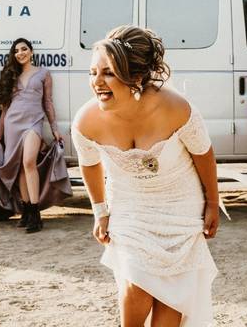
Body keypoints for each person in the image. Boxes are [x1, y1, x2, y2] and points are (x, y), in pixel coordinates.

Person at [72, 25, 220, 327]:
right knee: (136, 285)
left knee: (171, 297)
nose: (96, 82)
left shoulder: (177, 108)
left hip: (179, 205)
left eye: (108, 73)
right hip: (129, 207)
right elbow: (89, 165)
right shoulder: (86, 120)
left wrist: (213, 203)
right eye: (92, 72)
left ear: (136, 77)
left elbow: (203, 154)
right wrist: (100, 212)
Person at [0, 37, 70, 233]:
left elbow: (48, 102)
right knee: (20, 167)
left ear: (31, 51)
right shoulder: (12, 75)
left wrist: (54, 129)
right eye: (16, 50)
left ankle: (36, 214)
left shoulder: (43, 73)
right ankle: (26, 211)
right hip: (13, 123)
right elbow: (5, 109)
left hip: (33, 122)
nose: (20, 53)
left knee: (29, 162)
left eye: (24, 49)